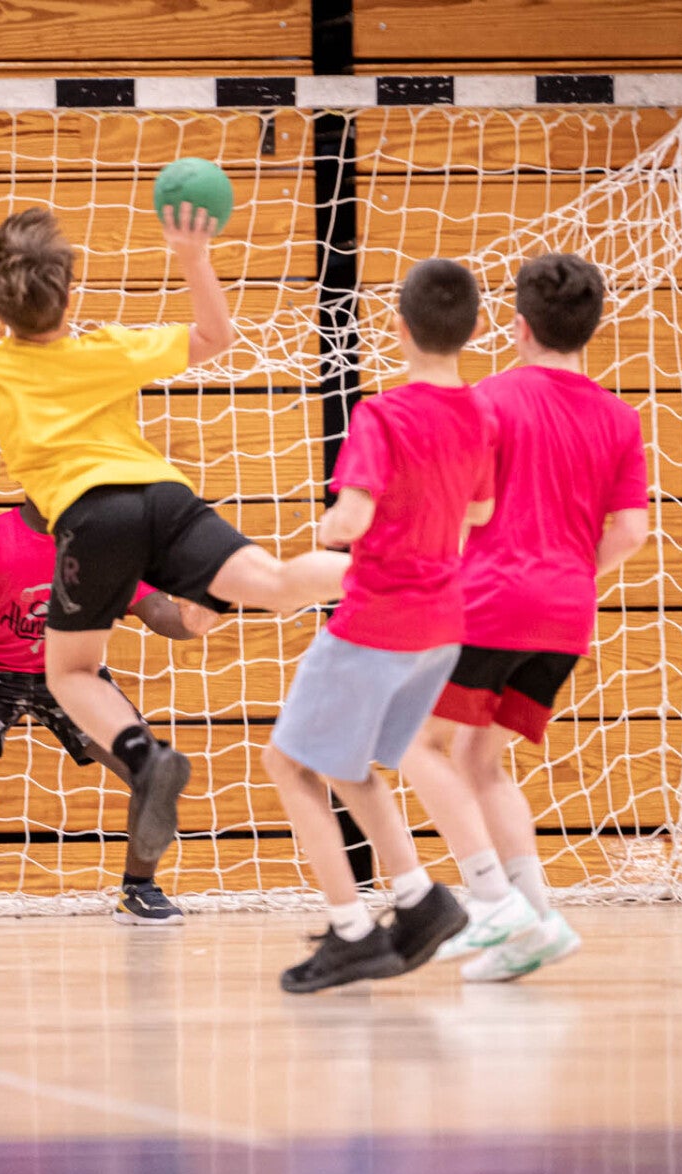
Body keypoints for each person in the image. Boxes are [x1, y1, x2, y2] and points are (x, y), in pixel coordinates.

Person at [0, 204, 349, 878]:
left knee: (71, 673)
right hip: (167, 498)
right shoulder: (106, 347)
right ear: (68, 291)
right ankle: (402, 569)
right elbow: (215, 336)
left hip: (94, 515)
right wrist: (192, 257)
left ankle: (146, 758)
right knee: (276, 585)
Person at [400, 252, 651, 983]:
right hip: (566, 615)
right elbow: (632, 533)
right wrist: (568, 575)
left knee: (411, 740)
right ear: (591, 328)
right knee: (479, 759)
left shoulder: (488, 400)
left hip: (490, 599)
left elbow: (458, 508)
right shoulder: (619, 417)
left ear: (516, 327)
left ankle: (490, 899)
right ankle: (537, 922)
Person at [264, 258, 498, 994]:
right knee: (347, 762)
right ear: (474, 329)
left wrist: (335, 523)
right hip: (442, 626)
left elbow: (352, 519)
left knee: (287, 764)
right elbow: (480, 511)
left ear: (397, 326)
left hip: (377, 619)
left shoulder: (382, 415)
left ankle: (350, 930)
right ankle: (420, 900)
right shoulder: (481, 415)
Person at [0, 499, 211, 928]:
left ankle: (138, 890)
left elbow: (158, 612)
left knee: (152, 770)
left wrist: (190, 618)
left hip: (73, 672)